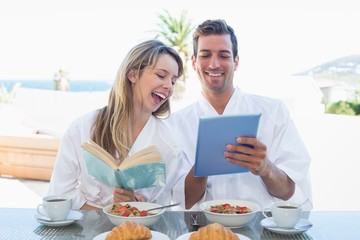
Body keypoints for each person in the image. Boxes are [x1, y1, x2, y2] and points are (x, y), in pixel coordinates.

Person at [171, 19, 312, 210]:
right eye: (205, 55)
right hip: (204, 231)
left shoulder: (273, 112)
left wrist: (265, 168)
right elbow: (183, 201)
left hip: (260, 230)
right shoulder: (176, 124)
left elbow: (290, 192)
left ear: (235, 62)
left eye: (223, 55)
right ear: (194, 62)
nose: (214, 64)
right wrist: (202, 165)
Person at [47, 39, 184, 210]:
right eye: (161, 76)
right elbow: (58, 195)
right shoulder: (83, 128)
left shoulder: (170, 144)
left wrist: (134, 206)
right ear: (133, 74)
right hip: (86, 231)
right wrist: (112, 212)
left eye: (173, 81)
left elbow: (163, 208)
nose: (168, 87)